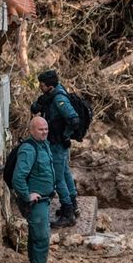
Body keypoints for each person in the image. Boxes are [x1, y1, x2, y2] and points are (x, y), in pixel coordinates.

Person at [11, 117, 56, 263]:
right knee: (41, 238)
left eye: (46, 129)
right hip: (35, 203)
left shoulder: (43, 145)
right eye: (40, 129)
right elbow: (18, 178)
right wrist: (27, 195)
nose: (44, 132)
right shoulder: (29, 149)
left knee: (36, 237)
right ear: (31, 130)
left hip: (44, 200)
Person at [30, 69, 80, 228]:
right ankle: (73, 204)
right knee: (65, 172)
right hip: (57, 142)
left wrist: (65, 136)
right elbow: (35, 108)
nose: (40, 87)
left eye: (42, 85)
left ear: (50, 86)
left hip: (57, 143)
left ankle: (68, 213)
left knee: (57, 178)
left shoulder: (58, 98)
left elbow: (74, 119)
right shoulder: (53, 94)